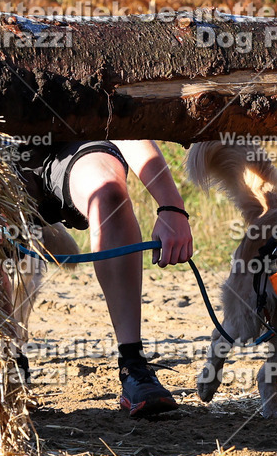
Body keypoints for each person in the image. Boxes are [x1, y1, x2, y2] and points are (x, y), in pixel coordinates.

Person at [18, 140, 193, 417]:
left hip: (72, 140)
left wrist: (171, 207)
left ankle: (134, 366)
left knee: (109, 192)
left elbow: (128, 125)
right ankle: (8, 361)